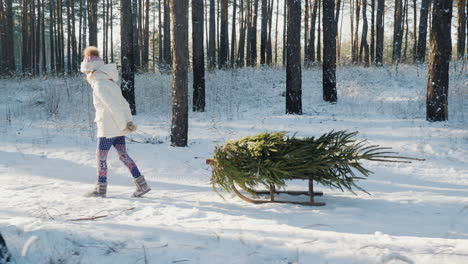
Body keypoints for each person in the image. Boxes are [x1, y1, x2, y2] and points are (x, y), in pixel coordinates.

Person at [80, 46, 151, 198]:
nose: (86, 75)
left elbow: (112, 106)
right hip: (117, 127)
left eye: (86, 72)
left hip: (108, 127)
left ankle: (101, 189)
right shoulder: (110, 82)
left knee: (101, 156)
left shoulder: (99, 84)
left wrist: (122, 124)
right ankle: (142, 184)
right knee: (123, 155)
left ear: (91, 70)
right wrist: (127, 123)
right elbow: (124, 103)